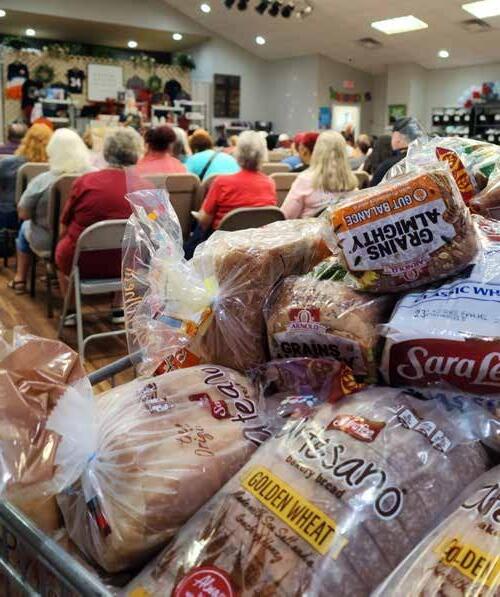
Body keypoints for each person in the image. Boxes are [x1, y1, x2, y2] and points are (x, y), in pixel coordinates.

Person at [55, 128, 143, 322]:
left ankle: (72, 311)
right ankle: (118, 308)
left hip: (81, 261)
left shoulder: (85, 182)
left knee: (62, 250)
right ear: (136, 154)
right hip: (127, 265)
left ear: (106, 152)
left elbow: (64, 226)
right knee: (128, 246)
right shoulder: (144, 187)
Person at [8, 129, 93, 294]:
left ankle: (20, 278)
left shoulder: (42, 180)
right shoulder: (94, 176)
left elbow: (23, 214)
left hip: (49, 241)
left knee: (25, 227)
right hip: (87, 240)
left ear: (52, 152)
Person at [185, 131, 277, 257]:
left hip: (221, 249)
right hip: (256, 248)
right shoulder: (270, 183)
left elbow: (205, 221)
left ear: (238, 153)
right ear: (263, 154)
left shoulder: (221, 182)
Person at [281, 130, 357, 219]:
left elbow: (286, 217)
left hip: (310, 228)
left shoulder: (305, 180)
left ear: (317, 151)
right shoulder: (352, 184)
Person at [0, 123, 52, 230]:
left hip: (9, 216)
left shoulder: (7, 164)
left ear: (26, 140)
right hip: (43, 216)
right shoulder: (54, 168)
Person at [370, 117, 423, 186]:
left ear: (397, 137)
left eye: (392, 135)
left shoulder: (389, 166)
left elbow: (371, 190)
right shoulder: (427, 161)